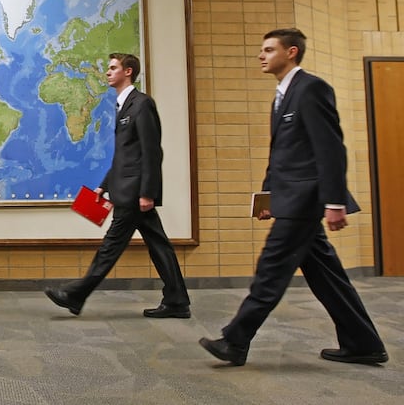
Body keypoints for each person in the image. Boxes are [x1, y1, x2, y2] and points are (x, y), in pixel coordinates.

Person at [199, 28, 388, 366]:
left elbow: (330, 149)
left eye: (269, 49)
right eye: (262, 49)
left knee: (271, 269)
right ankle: (364, 342)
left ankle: (235, 340)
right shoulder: (283, 95)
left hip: (305, 201)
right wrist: (268, 197)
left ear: (292, 52)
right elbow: (283, 154)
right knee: (327, 276)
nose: (261, 55)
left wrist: (334, 202)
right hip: (291, 198)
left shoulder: (311, 89)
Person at [45, 53, 191, 318]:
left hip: (134, 193)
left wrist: (148, 193)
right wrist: (103, 186)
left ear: (129, 71)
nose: (108, 73)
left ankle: (76, 294)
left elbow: (151, 152)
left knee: (111, 246)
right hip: (126, 188)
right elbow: (126, 155)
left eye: (113, 68)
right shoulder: (122, 106)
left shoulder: (142, 104)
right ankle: (177, 301)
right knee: (159, 245)